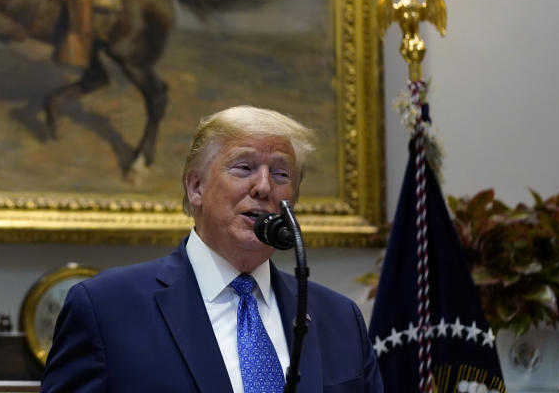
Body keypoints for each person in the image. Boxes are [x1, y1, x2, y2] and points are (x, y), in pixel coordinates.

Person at [41, 106, 384, 392]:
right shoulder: (106, 309)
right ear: (196, 187)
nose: (264, 187)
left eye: (281, 174)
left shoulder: (339, 318)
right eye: (244, 168)